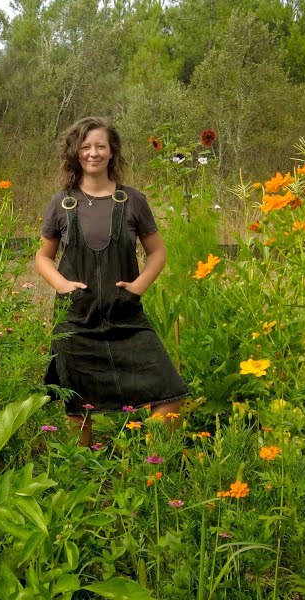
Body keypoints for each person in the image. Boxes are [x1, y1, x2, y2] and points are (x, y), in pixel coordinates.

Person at [35, 116, 188, 446]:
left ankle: (148, 462)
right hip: (76, 319)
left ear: (112, 151)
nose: (93, 153)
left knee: (171, 391)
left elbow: (157, 252)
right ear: (75, 153)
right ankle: (84, 468)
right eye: (86, 146)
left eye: (100, 146)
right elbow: (43, 256)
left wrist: (138, 286)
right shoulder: (61, 203)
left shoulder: (132, 200)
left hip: (126, 318)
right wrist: (61, 284)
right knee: (78, 406)